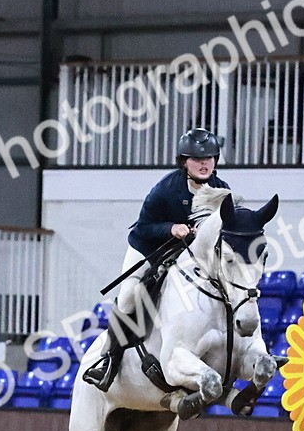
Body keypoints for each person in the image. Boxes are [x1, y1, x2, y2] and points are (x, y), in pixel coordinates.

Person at [83, 127, 232, 390]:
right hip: (150, 247)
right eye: (197, 159)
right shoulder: (166, 189)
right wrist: (170, 229)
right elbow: (142, 228)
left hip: (189, 255)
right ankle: (108, 359)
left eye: (209, 158)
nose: (204, 164)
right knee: (129, 294)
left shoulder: (221, 190)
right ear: (184, 162)